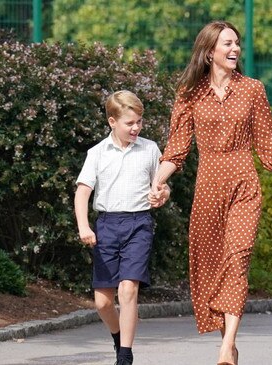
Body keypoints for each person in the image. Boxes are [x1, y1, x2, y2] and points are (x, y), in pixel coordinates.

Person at [149, 21, 272, 365]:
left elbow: (267, 142)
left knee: (238, 260)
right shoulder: (190, 94)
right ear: (209, 51)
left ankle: (225, 348)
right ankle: (228, 343)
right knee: (213, 266)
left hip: (244, 184)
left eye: (237, 44)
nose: (235, 50)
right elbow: (177, 149)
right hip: (208, 189)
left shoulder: (252, 89)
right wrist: (158, 181)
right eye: (228, 44)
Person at [74, 90, 170, 365]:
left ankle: (125, 356)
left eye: (139, 121)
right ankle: (118, 337)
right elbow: (82, 193)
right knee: (103, 302)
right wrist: (84, 227)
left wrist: (162, 195)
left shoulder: (150, 149)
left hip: (139, 224)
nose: (136, 127)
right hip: (106, 226)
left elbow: (162, 187)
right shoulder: (97, 153)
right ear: (112, 122)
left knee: (128, 289)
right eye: (130, 123)